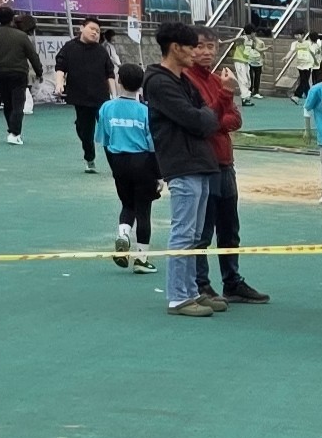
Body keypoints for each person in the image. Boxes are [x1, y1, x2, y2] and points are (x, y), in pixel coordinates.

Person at [140, 21, 223, 316]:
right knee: (184, 232)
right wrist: (204, 118)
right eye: (192, 46)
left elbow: (208, 115)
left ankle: (191, 291)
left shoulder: (183, 80)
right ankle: (178, 296)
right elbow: (199, 119)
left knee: (196, 233)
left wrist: (204, 117)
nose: (196, 52)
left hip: (199, 162)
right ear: (175, 48)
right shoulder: (160, 82)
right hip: (182, 164)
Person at [187, 36, 262, 306]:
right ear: (188, 49)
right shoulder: (187, 81)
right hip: (203, 165)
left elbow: (234, 118)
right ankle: (201, 284)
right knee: (203, 230)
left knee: (229, 228)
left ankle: (232, 282)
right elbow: (203, 120)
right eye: (200, 46)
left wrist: (217, 116)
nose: (207, 52)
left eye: (211, 46)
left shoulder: (220, 80)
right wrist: (218, 114)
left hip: (225, 163)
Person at [101, 64, 156, 269]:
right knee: (144, 210)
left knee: (127, 204)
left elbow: (105, 142)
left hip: (118, 161)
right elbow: (152, 146)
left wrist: (114, 167)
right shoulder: (145, 111)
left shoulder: (106, 108)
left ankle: (123, 234)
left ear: (119, 81)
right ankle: (141, 260)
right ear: (141, 85)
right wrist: (158, 175)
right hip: (142, 162)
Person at [52, 17, 118, 173]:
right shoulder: (69, 48)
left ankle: (116, 164)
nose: (95, 33)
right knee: (85, 132)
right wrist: (59, 84)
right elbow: (60, 67)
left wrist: (114, 95)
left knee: (108, 132)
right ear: (81, 28)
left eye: (98, 31)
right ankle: (90, 158)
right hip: (80, 98)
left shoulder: (101, 51)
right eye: (92, 29)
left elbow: (110, 74)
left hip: (102, 99)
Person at [0, 5, 37, 145]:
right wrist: (39, 71)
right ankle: (15, 133)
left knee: (7, 104)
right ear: (12, 18)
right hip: (19, 74)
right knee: (18, 105)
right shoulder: (22, 36)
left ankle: (12, 130)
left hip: (2, 74)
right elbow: (32, 55)